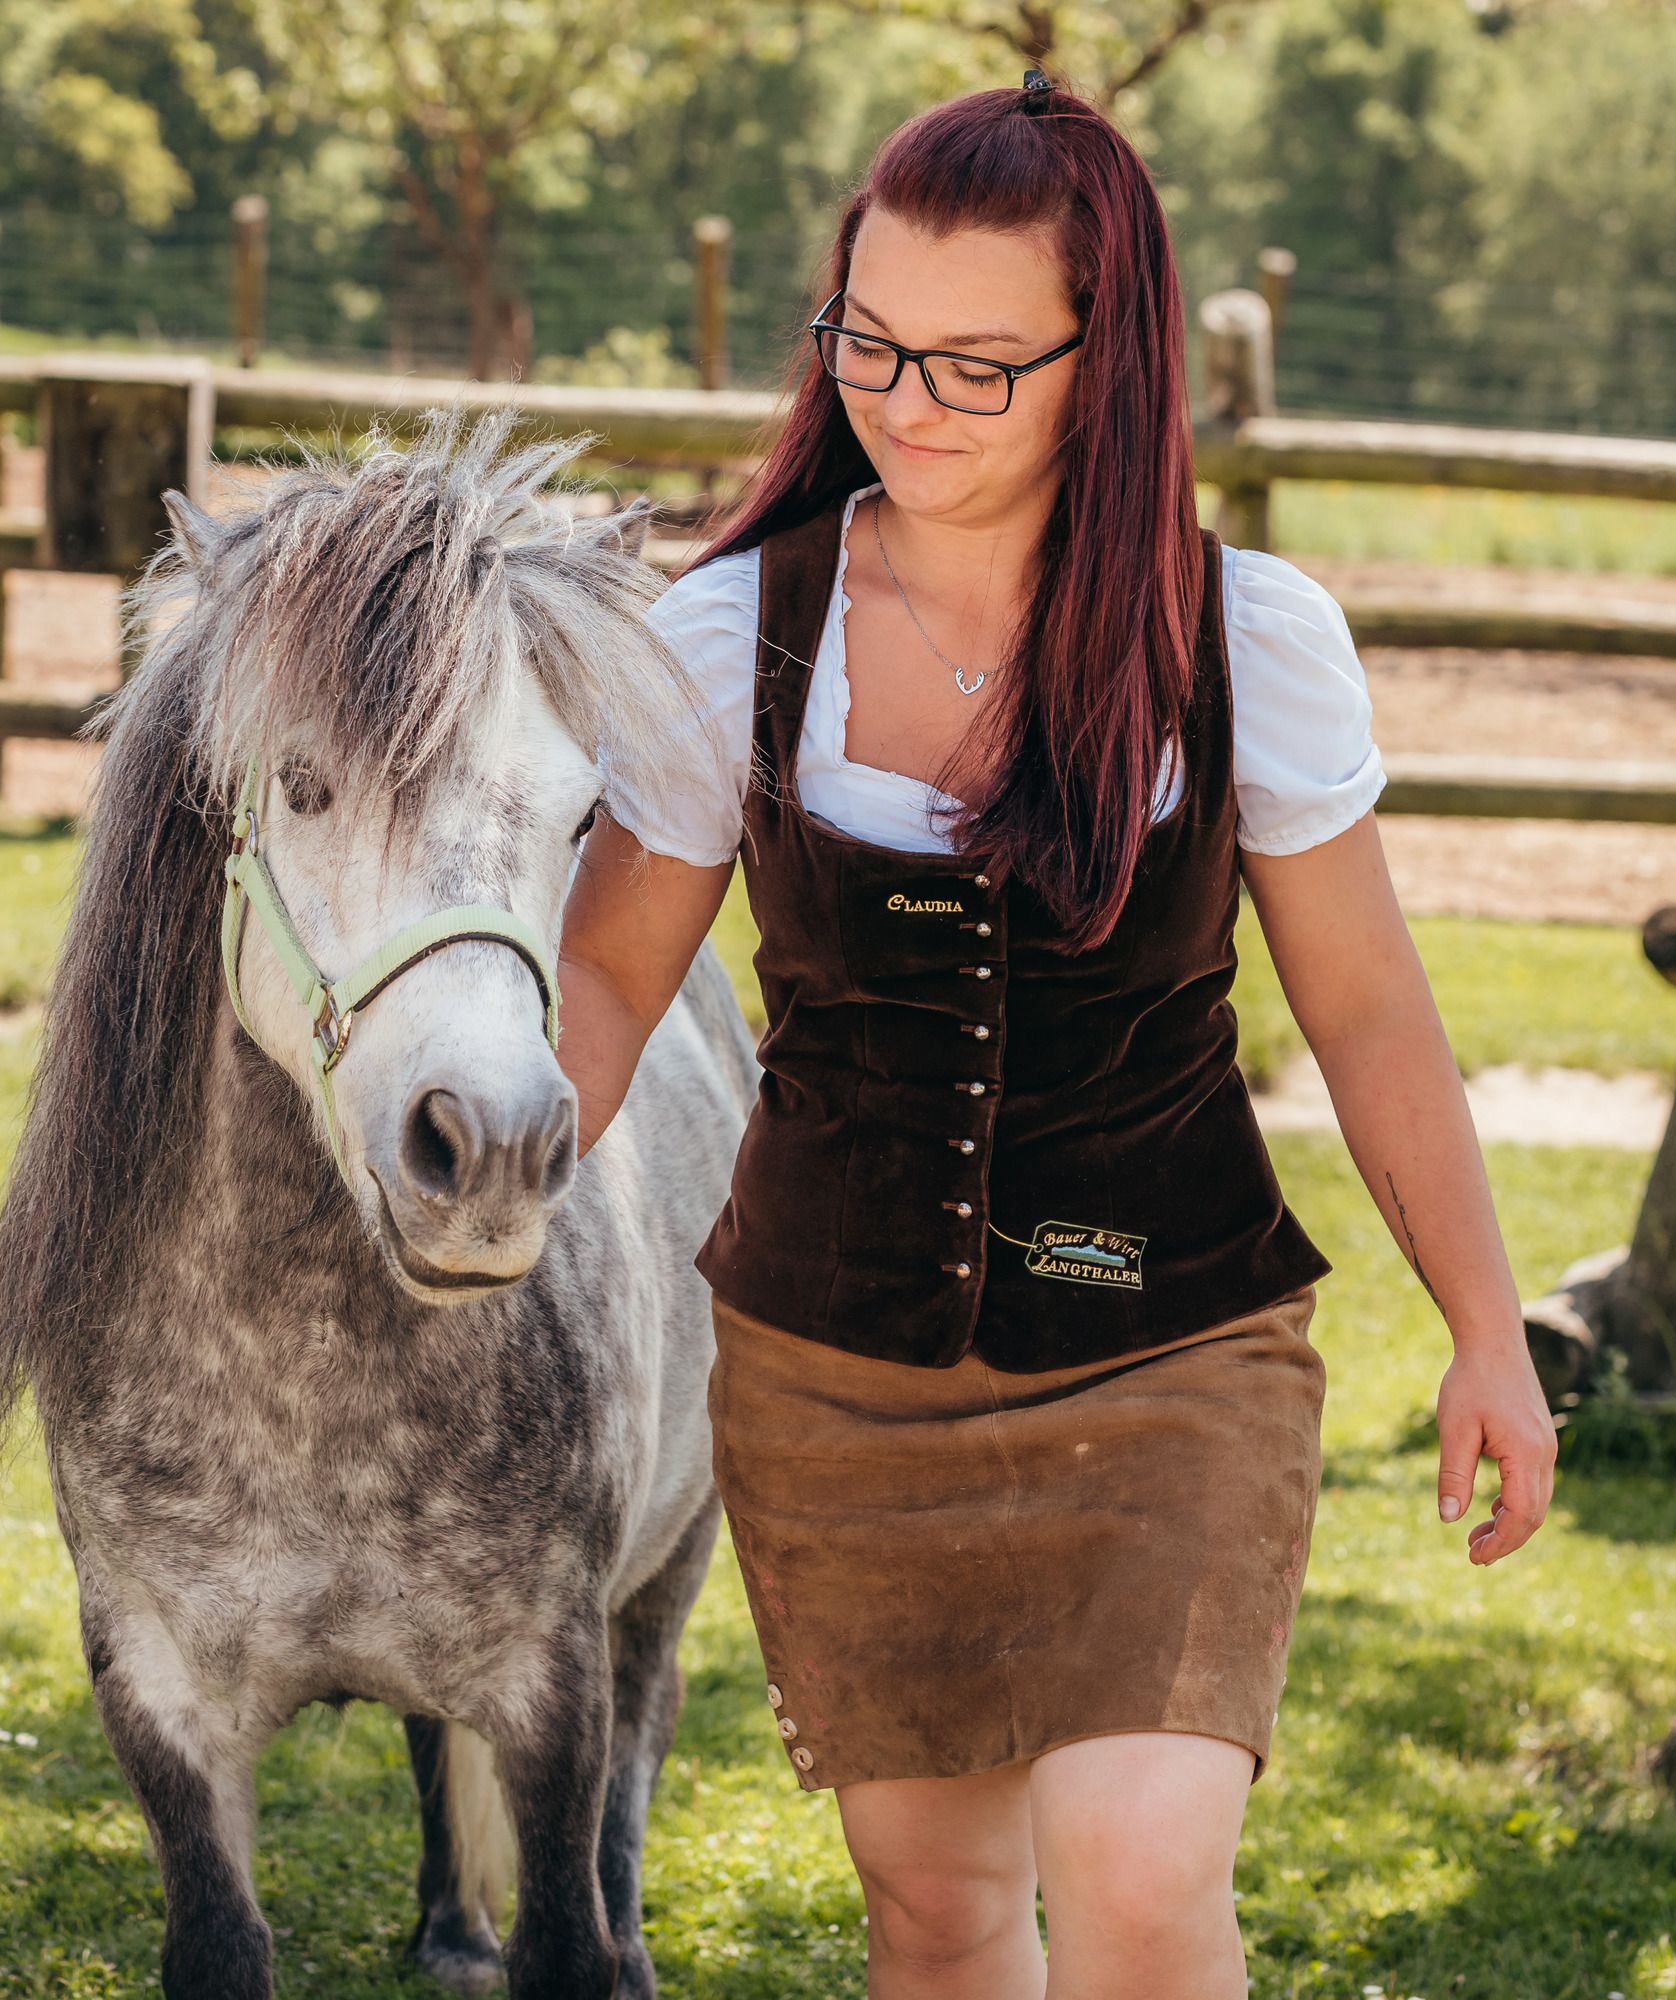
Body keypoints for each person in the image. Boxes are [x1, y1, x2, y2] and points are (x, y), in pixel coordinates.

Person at [553, 67, 1556, 2000]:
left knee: (1143, 1875)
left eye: (976, 365)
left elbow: (1367, 1011)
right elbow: (607, 975)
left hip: (1168, 1341)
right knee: (935, 1915)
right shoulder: (725, 636)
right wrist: (488, 1187)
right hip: (833, 1368)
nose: (905, 403)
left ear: (1113, 361)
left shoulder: (1240, 638)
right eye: (870, 340)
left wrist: (1491, 1330)